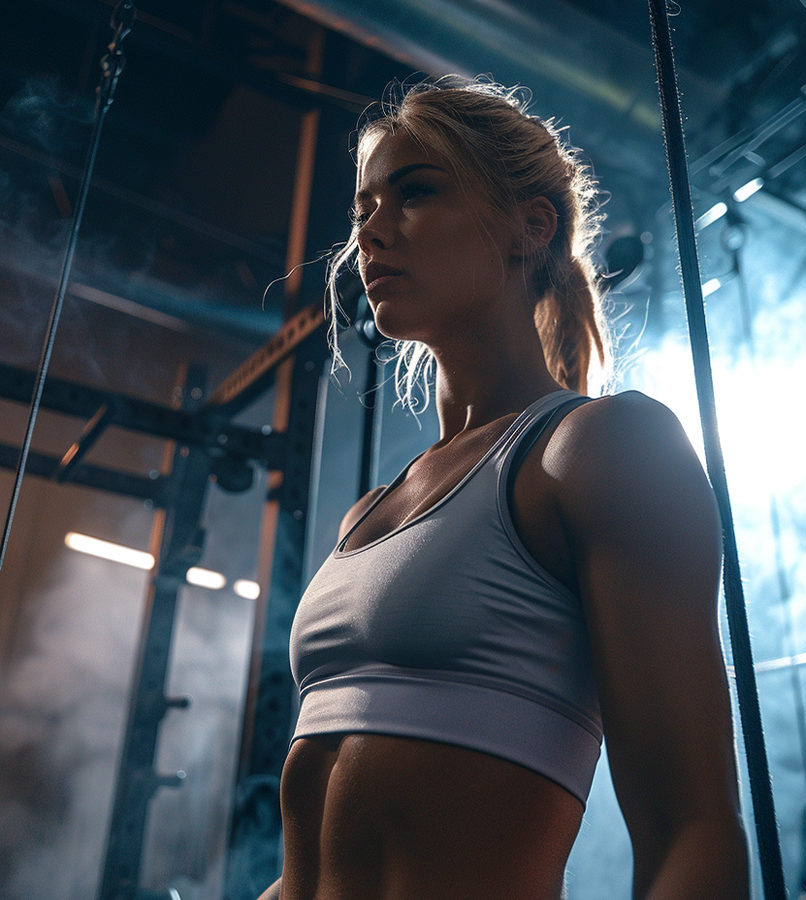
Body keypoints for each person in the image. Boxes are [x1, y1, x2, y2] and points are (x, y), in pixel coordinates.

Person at [260, 77, 750, 900]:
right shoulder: (368, 515)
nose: (370, 233)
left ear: (531, 225)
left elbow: (692, 833)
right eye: (361, 210)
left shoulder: (600, 450)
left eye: (415, 192)